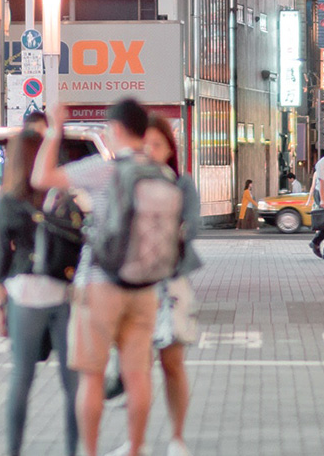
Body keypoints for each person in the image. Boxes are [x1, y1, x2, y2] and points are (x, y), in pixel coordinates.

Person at [31, 98, 170, 456]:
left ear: (118, 129)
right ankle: (135, 449)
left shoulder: (104, 169)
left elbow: (41, 178)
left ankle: (90, 452)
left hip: (100, 282)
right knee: (138, 374)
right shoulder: (161, 173)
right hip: (145, 286)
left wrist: (55, 130)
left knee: (91, 376)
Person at [0, 129, 78, 456]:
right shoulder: (60, 196)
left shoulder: (10, 202)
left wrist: (0, 306)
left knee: (21, 380)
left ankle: (14, 451)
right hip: (63, 297)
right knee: (73, 386)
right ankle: (75, 450)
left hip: (24, 295)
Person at [144, 116, 200, 456]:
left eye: (157, 145)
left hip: (171, 284)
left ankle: (177, 438)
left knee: (172, 363)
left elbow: (190, 228)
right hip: (133, 287)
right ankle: (136, 441)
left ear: (170, 149)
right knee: (138, 368)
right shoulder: (126, 181)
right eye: (145, 144)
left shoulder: (181, 183)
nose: (150, 152)